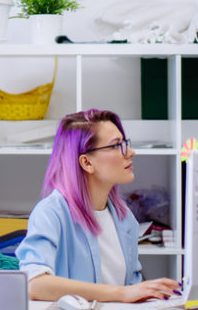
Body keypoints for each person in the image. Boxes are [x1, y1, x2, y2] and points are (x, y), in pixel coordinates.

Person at [15, 109, 181, 302]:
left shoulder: (124, 217)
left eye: (125, 143)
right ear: (87, 162)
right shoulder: (51, 213)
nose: (130, 152)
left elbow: (131, 288)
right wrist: (121, 294)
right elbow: (34, 284)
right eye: (116, 145)